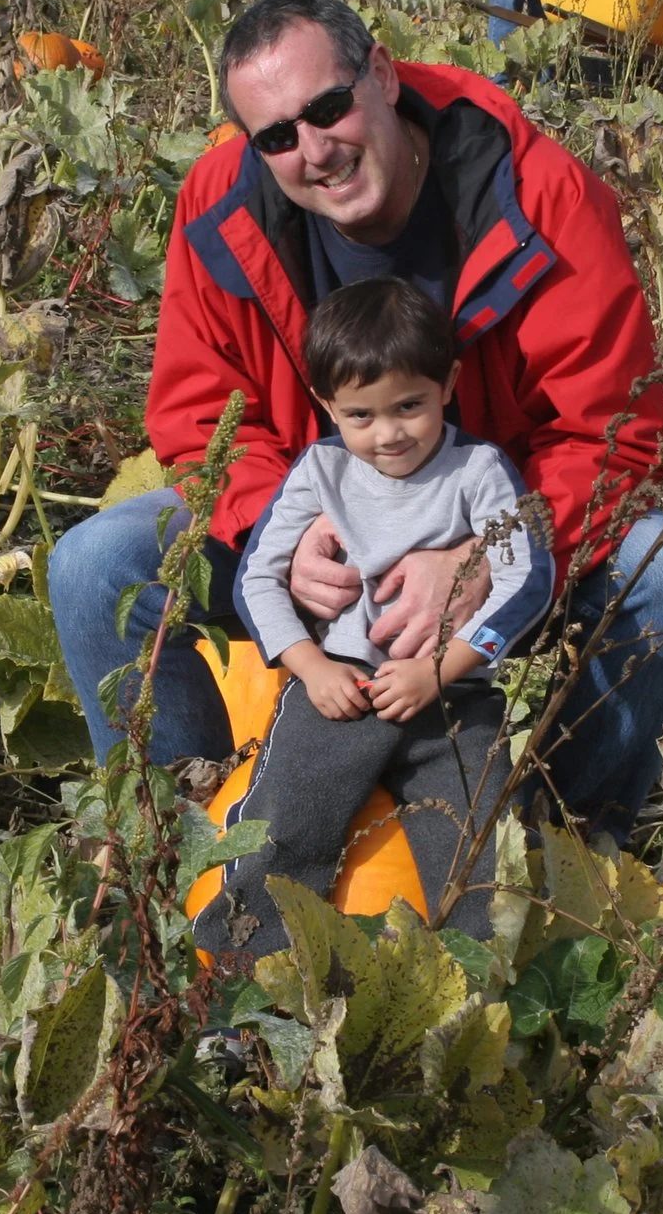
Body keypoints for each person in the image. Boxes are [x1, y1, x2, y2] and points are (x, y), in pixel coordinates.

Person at [48, 0, 663, 845]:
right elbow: (199, 415)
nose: (315, 150)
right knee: (94, 565)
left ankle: (563, 844)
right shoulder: (221, 208)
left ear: (382, 74)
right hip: (315, 515)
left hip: (495, 516)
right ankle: (182, 851)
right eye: (279, 137)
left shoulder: (538, 196)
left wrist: (488, 548)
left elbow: (613, 430)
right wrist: (281, 536)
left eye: (329, 109)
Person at [191, 278, 552, 956]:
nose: (388, 434)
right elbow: (256, 581)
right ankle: (245, 974)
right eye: (361, 415)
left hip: (453, 693)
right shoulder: (320, 471)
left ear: (448, 383)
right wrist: (311, 664)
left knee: (480, 835)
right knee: (287, 818)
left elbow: (525, 580)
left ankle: (478, 989)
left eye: (409, 406)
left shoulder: (478, 471)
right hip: (343, 689)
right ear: (328, 405)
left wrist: (440, 670)